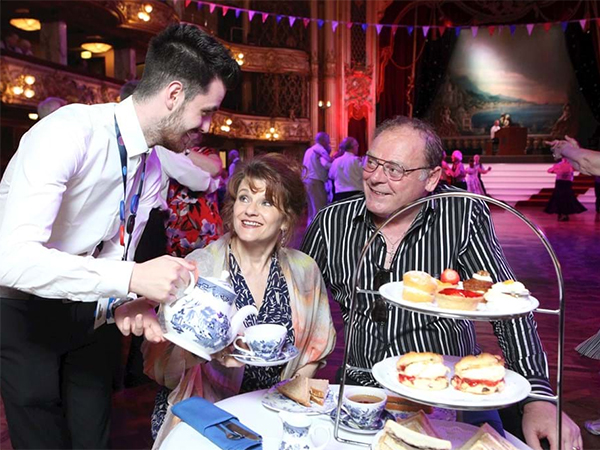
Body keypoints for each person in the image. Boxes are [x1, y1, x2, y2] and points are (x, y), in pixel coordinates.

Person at [0, 24, 240, 449]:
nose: (206, 126)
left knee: (94, 437)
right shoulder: (68, 133)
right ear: (174, 94)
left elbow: (115, 253)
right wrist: (131, 280)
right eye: (205, 112)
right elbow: (12, 260)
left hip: (87, 315)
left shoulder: (151, 167)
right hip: (23, 311)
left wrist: (122, 305)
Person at [300, 116, 582, 450]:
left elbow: (509, 305)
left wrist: (538, 396)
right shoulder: (332, 222)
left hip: (448, 394)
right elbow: (300, 303)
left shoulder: (461, 215)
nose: (376, 178)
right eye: (372, 162)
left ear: (431, 177)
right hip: (364, 387)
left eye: (395, 169)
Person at [116, 153, 336, 448]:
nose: (251, 210)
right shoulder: (199, 268)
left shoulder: (304, 271)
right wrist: (200, 353)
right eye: (245, 198)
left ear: (286, 220)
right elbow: (160, 365)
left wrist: (284, 400)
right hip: (207, 414)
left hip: (274, 412)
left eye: (267, 202)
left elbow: (315, 351)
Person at [303, 131, 332, 224]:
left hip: (306, 181)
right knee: (320, 209)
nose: (329, 143)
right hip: (316, 181)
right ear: (323, 141)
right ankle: (317, 234)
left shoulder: (309, 150)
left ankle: (309, 232)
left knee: (311, 211)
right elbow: (327, 165)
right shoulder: (320, 150)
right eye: (328, 140)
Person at [329, 136, 364, 202]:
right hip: (356, 193)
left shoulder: (336, 161)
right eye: (357, 145)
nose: (358, 147)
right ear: (353, 147)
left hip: (340, 194)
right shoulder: (356, 161)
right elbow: (364, 174)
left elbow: (331, 175)